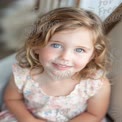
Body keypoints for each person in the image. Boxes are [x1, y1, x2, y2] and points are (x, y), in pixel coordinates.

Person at [0, 7, 111, 122]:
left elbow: (94, 115)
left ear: (92, 55)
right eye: (56, 45)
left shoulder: (96, 83)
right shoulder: (22, 74)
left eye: (79, 50)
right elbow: (12, 99)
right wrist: (28, 119)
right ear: (36, 46)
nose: (65, 57)